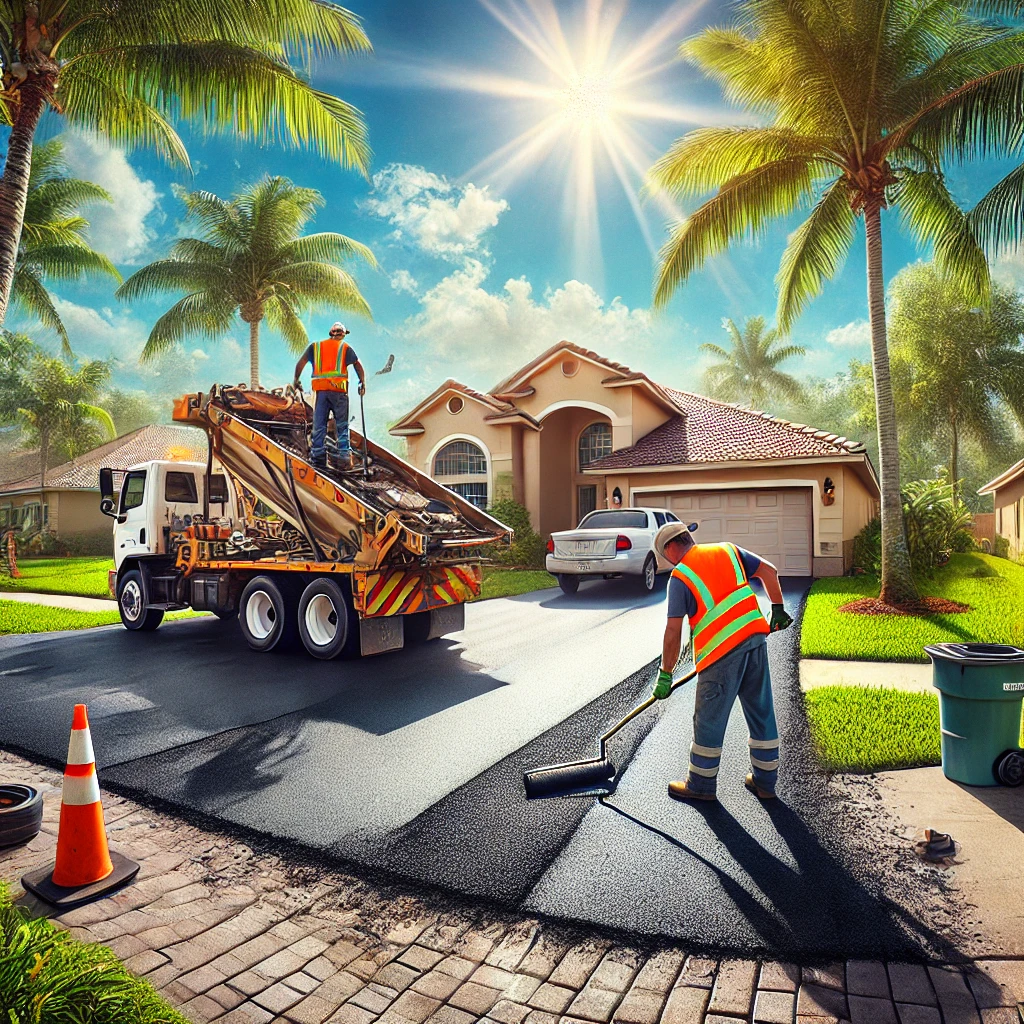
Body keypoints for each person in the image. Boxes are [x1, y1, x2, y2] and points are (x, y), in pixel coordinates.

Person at [652, 521, 793, 803]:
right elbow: (769, 571)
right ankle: (765, 783)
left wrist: (665, 674)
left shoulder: (680, 576)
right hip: (755, 639)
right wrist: (777, 608)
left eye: (665, 556)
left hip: (720, 653)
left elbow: (673, 631)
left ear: (670, 548)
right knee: (761, 711)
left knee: (709, 720)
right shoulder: (728, 550)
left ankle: (701, 785)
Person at [293, 322, 366, 471]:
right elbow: (358, 365)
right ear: (342, 334)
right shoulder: (344, 348)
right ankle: (344, 458)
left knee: (319, 424)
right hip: (339, 393)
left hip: (321, 392)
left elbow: (301, 363)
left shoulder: (316, 347)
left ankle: (318, 457)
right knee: (341, 425)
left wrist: (296, 380)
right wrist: (362, 382)